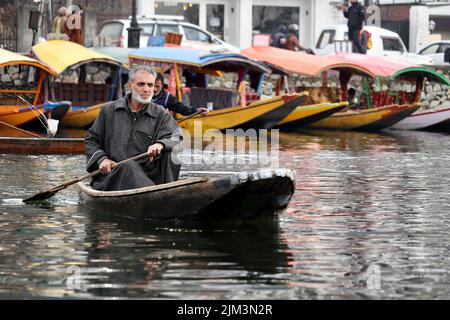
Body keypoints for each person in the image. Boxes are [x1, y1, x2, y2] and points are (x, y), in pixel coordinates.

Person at [85, 65, 183, 191]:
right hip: (113, 175)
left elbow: (177, 137)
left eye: (150, 85)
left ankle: (164, 191)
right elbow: (91, 140)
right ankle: (155, 196)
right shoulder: (108, 111)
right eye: (141, 84)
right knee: (128, 166)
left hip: (148, 177)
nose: (147, 89)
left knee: (171, 152)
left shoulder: (161, 114)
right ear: (130, 85)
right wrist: (101, 160)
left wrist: (161, 144)